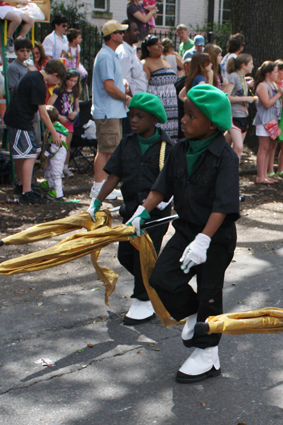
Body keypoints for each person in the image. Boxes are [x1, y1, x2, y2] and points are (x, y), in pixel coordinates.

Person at [127, 84, 239, 383]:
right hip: (186, 230)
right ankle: (193, 315)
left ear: (212, 123)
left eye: (191, 116)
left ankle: (207, 352)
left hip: (215, 238)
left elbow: (224, 205)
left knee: (210, 294)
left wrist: (204, 240)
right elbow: (162, 186)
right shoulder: (179, 150)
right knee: (162, 278)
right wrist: (143, 211)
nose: (184, 121)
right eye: (184, 114)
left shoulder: (225, 157)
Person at [87, 92, 174, 324]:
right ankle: (155, 284)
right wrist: (97, 201)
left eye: (140, 116)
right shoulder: (126, 143)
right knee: (125, 254)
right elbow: (114, 176)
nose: (133, 120)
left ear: (154, 120)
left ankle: (144, 298)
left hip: (155, 214)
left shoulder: (167, 147)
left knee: (143, 254)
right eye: (131, 115)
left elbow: (172, 181)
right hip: (130, 211)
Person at [3, 59, 65, 204]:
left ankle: (21, 183)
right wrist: (54, 133)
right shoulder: (38, 83)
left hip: (17, 119)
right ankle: (26, 191)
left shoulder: (34, 76)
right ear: (55, 75)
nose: (55, 84)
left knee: (23, 153)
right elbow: (43, 113)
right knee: (31, 153)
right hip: (20, 120)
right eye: (57, 81)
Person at [91, 20, 131, 200]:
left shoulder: (109, 55)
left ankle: (102, 184)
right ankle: (99, 186)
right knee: (106, 150)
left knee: (109, 150)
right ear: (112, 35)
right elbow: (108, 86)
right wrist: (126, 97)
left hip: (111, 111)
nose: (123, 35)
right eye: (120, 32)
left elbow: (110, 83)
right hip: (108, 112)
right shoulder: (106, 56)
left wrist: (121, 85)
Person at [253, 60, 283, 184]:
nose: (278, 74)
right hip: (264, 120)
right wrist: (279, 93)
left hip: (273, 119)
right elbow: (267, 103)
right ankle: (260, 176)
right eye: (275, 72)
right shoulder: (262, 85)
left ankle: (265, 174)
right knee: (264, 148)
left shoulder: (273, 84)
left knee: (271, 146)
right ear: (268, 73)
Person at [141, 35, 179, 140]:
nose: (160, 47)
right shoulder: (145, 63)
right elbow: (144, 86)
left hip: (172, 107)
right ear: (148, 47)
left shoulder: (165, 60)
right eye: (156, 44)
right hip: (158, 105)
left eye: (160, 44)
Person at [223, 54, 257, 160]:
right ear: (243, 65)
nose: (253, 66)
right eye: (251, 63)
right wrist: (246, 99)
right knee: (238, 147)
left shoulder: (242, 77)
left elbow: (239, 90)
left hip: (243, 115)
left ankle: (231, 171)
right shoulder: (234, 76)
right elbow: (227, 96)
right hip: (234, 115)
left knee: (231, 147)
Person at [48, 68, 80, 177]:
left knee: (67, 145)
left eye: (75, 81)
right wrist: (58, 116)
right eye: (70, 80)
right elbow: (49, 105)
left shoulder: (75, 92)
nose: (72, 83)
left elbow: (77, 107)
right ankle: (57, 168)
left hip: (69, 122)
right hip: (58, 122)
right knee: (58, 144)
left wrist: (75, 113)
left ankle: (65, 167)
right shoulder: (58, 91)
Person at [41, 105, 69, 198]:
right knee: (49, 168)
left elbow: (56, 146)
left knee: (56, 173)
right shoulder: (53, 127)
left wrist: (46, 154)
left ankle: (58, 192)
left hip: (57, 154)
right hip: (54, 154)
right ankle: (50, 183)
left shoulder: (56, 131)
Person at [117, 21, 147, 99]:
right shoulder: (124, 53)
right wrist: (132, 104)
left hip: (139, 99)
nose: (138, 32)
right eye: (135, 30)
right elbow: (124, 83)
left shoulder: (132, 50)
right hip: (132, 102)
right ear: (126, 33)